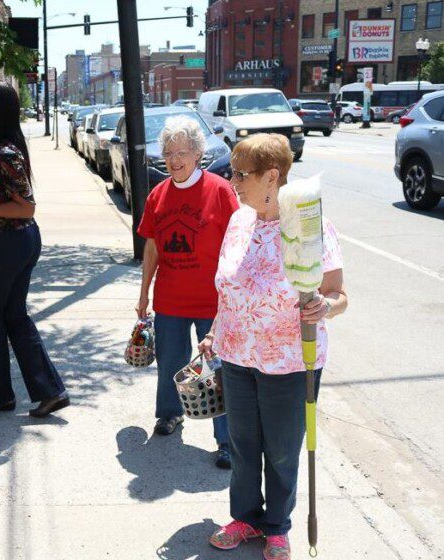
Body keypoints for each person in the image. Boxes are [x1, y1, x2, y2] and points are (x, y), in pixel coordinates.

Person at [201, 134, 347, 560]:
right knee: (243, 445)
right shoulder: (239, 221)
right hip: (236, 355)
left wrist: (324, 307)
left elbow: (339, 295)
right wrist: (214, 331)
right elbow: (229, 291)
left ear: (272, 176)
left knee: (281, 450)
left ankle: (277, 526)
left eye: (240, 173)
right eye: (231, 172)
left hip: (289, 360)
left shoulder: (309, 226)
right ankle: (245, 517)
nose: (232, 181)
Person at [0, 80, 68, 418]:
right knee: (13, 316)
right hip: (12, 243)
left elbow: (27, 207)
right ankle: (50, 391)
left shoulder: (5, 154)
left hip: (6, 244)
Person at [136, 116, 239, 468]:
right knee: (169, 363)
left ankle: (226, 441)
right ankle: (169, 414)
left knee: (217, 372)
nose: (175, 159)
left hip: (213, 302)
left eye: (182, 152)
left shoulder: (221, 191)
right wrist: (143, 294)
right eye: (168, 153)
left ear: (197, 153)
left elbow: (237, 245)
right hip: (171, 300)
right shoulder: (157, 195)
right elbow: (152, 247)